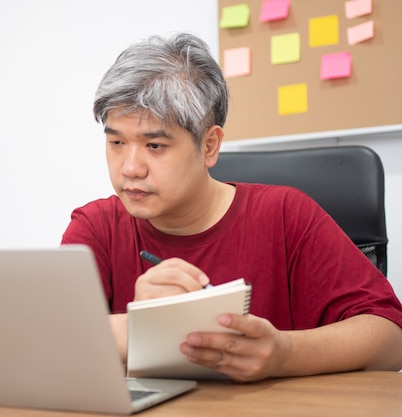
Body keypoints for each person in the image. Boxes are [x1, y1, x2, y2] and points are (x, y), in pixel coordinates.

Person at [61, 32, 402, 382]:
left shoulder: (286, 216)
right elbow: (49, 345)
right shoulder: (97, 227)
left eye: (155, 145)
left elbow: (391, 338)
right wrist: (139, 328)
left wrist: (285, 354)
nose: (130, 167)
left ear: (209, 145)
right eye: (117, 142)